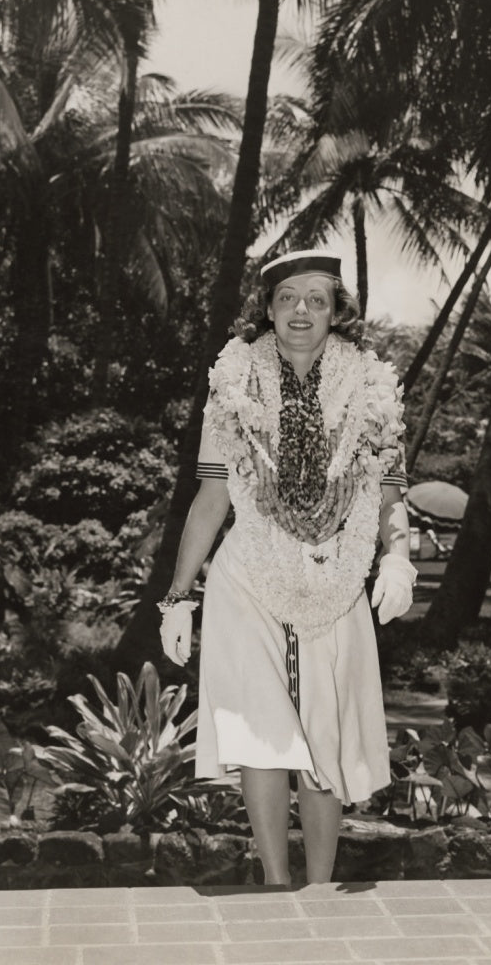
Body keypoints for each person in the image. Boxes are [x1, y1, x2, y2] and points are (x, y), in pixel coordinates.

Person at [158, 249, 417, 885]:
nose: (302, 310)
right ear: (268, 308)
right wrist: (177, 597)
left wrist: (398, 558)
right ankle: (277, 884)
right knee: (263, 728)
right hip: (249, 574)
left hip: (337, 573)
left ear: (337, 313)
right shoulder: (232, 383)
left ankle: (322, 888)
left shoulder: (373, 388)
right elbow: (212, 498)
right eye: (288, 297)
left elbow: (391, 494)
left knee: (323, 731)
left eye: (317, 299)